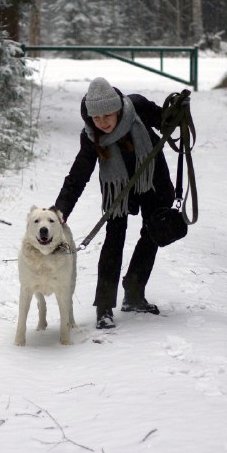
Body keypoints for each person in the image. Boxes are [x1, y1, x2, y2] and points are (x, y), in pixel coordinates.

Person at [52, 77, 175, 329]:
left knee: (154, 230)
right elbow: (77, 177)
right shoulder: (91, 137)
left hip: (152, 179)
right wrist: (58, 212)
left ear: (118, 108)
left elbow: (166, 121)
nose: (103, 122)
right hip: (117, 189)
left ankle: (134, 291)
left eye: (108, 115)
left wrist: (177, 113)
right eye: (96, 118)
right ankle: (105, 307)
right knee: (114, 237)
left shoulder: (137, 107)